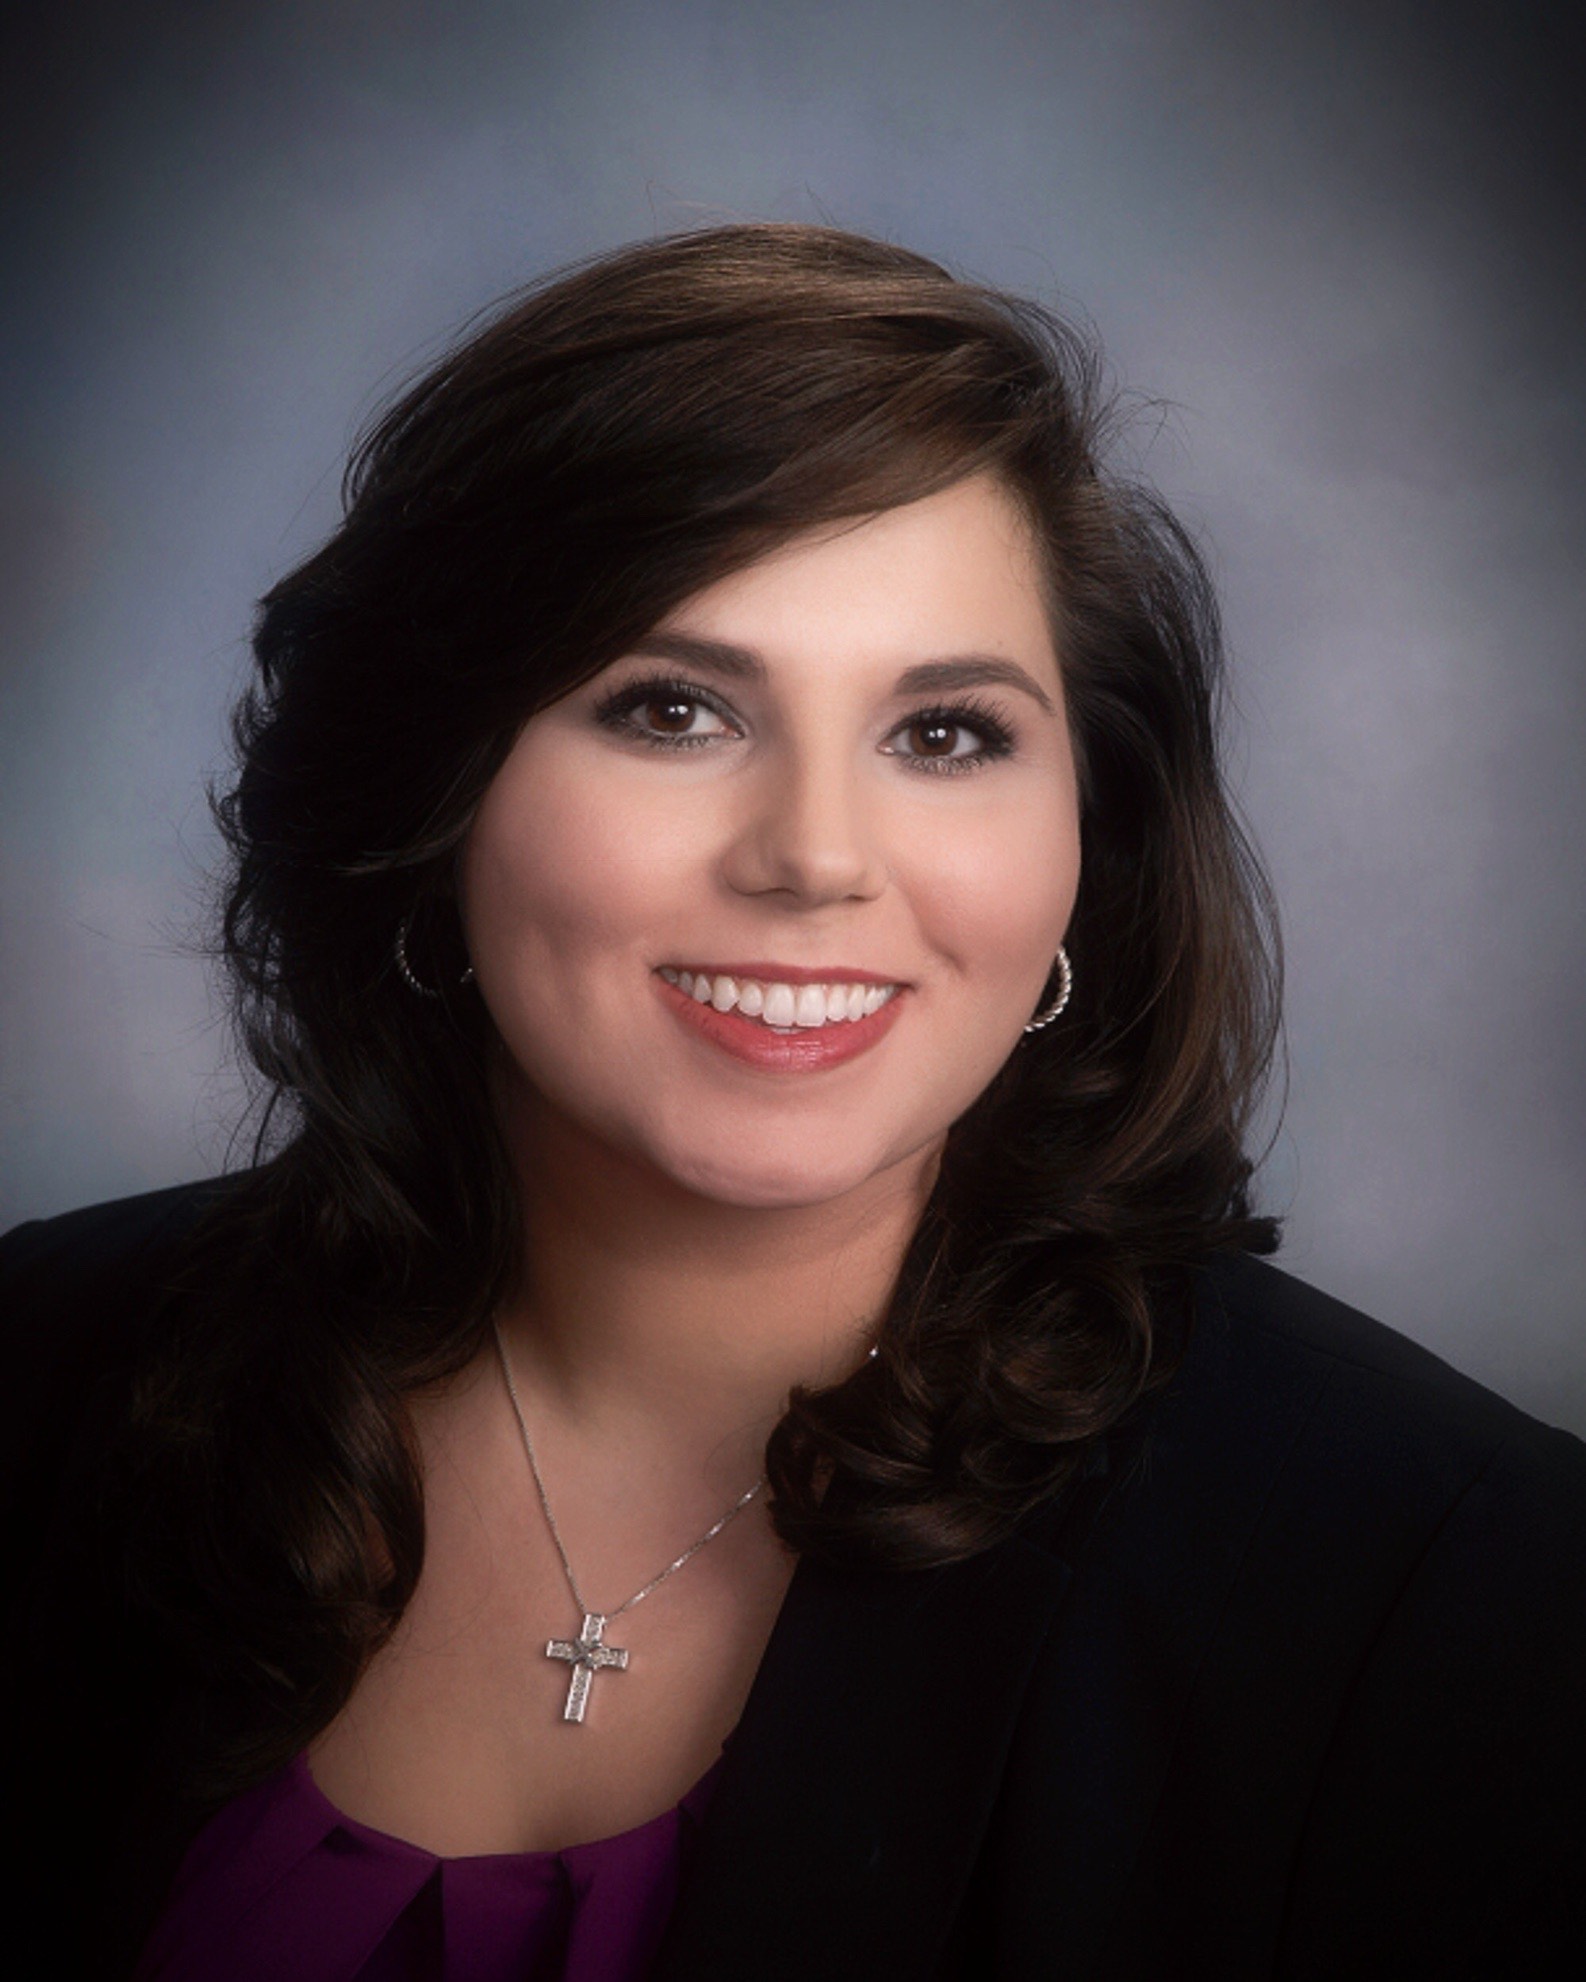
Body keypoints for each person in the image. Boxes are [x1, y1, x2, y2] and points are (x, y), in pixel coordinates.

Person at [3, 223, 1583, 1981]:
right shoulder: (38, 1369)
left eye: (945, 734)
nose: (816, 857)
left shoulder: (1453, 1588)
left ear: (1086, 838)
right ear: (432, 791)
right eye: (671, 709)